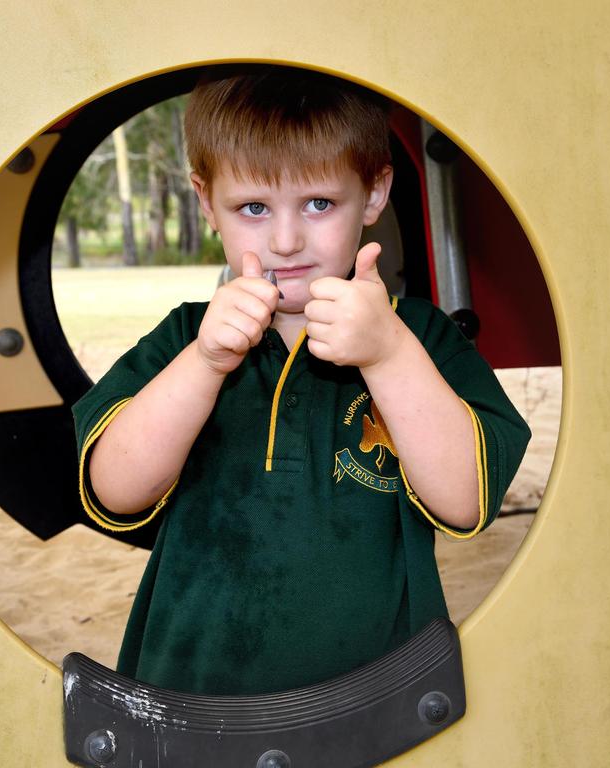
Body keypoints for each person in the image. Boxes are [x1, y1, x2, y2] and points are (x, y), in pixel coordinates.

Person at [72, 67, 531, 696]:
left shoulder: (418, 338)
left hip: (380, 702)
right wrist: (205, 365)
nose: (287, 240)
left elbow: (468, 500)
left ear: (373, 195)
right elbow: (115, 490)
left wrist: (389, 355)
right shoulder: (186, 339)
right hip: (192, 695)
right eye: (253, 208)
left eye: (319, 203)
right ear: (207, 204)